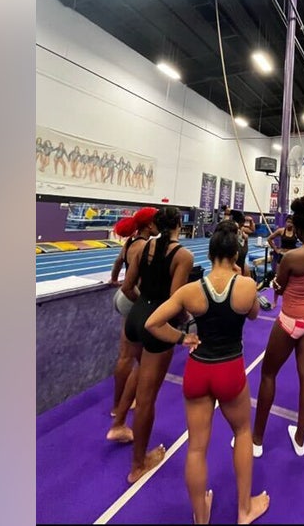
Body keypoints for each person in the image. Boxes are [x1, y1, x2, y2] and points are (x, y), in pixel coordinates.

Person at [145, 221, 270, 524]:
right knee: (242, 433)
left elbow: (152, 323)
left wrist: (181, 338)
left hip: (198, 369)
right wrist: (244, 280)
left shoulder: (191, 290)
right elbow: (253, 314)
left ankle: (201, 517)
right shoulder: (246, 286)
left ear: (211, 252)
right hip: (229, 370)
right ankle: (244, 509)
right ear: (237, 253)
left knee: (196, 448)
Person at [113, 206, 194, 483]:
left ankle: (118, 424)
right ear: (178, 226)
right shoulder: (182, 255)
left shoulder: (143, 247)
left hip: (136, 317)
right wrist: (184, 326)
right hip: (157, 324)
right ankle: (138, 465)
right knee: (147, 399)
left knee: (137, 372)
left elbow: (126, 287)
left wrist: (143, 306)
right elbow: (175, 302)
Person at [250, 197, 304, 457]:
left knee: (268, 375)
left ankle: (257, 440)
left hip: (292, 317)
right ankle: (300, 438)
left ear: (298, 229)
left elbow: (280, 287)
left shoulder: (293, 256)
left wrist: (273, 286)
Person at [106, 207, 158, 426]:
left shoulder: (130, 243)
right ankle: (118, 405)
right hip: (132, 297)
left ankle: (130, 395)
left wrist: (113, 279)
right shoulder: (145, 245)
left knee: (134, 353)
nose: (158, 226)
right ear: (149, 226)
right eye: (156, 223)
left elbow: (119, 262)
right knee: (127, 355)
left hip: (122, 295)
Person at [265, 217, 298, 310]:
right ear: (285, 222)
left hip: (292, 257)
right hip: (282, 256)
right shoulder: (281, 231)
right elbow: (269, 239)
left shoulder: (296, 232)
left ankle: (290, 301)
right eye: (288, 222)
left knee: (292, 280)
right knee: (278, 279)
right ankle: (275, 301)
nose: (289, 224)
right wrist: (276, 249)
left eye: (291, 222)